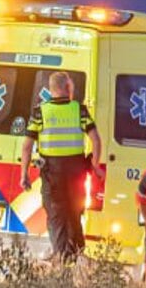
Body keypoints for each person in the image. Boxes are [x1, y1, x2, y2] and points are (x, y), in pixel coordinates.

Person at [18, 71, 101, 263]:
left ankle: (63, 258)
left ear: (50, 89)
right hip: (77, 173)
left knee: (56, 216)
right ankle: (73, 252)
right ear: (68, 88)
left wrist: (24, 174)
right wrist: (95, 166)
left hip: (52, 175)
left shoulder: (40, 112)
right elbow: (96, 140)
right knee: (74, 213)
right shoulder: (79, 109)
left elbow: (27, 146)